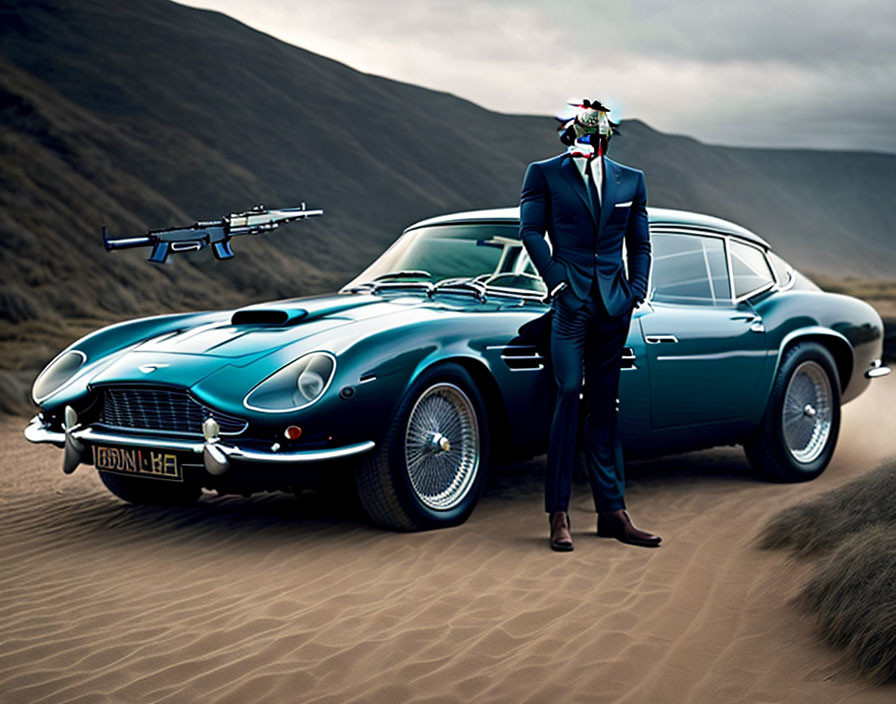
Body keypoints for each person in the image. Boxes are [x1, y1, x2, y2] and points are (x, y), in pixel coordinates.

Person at [519, 98, 661, 551]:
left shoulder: (631, 180)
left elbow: (640, 241)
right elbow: (529, 231)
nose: (589, 142)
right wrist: (557, 281)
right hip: (569, 303)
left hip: (614, 305)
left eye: (596, 136)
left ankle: (612, 513)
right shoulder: (543, 173)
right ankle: (557, 514)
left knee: (605, 405)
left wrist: (635, 290)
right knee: (567, 393)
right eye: (581, 134)